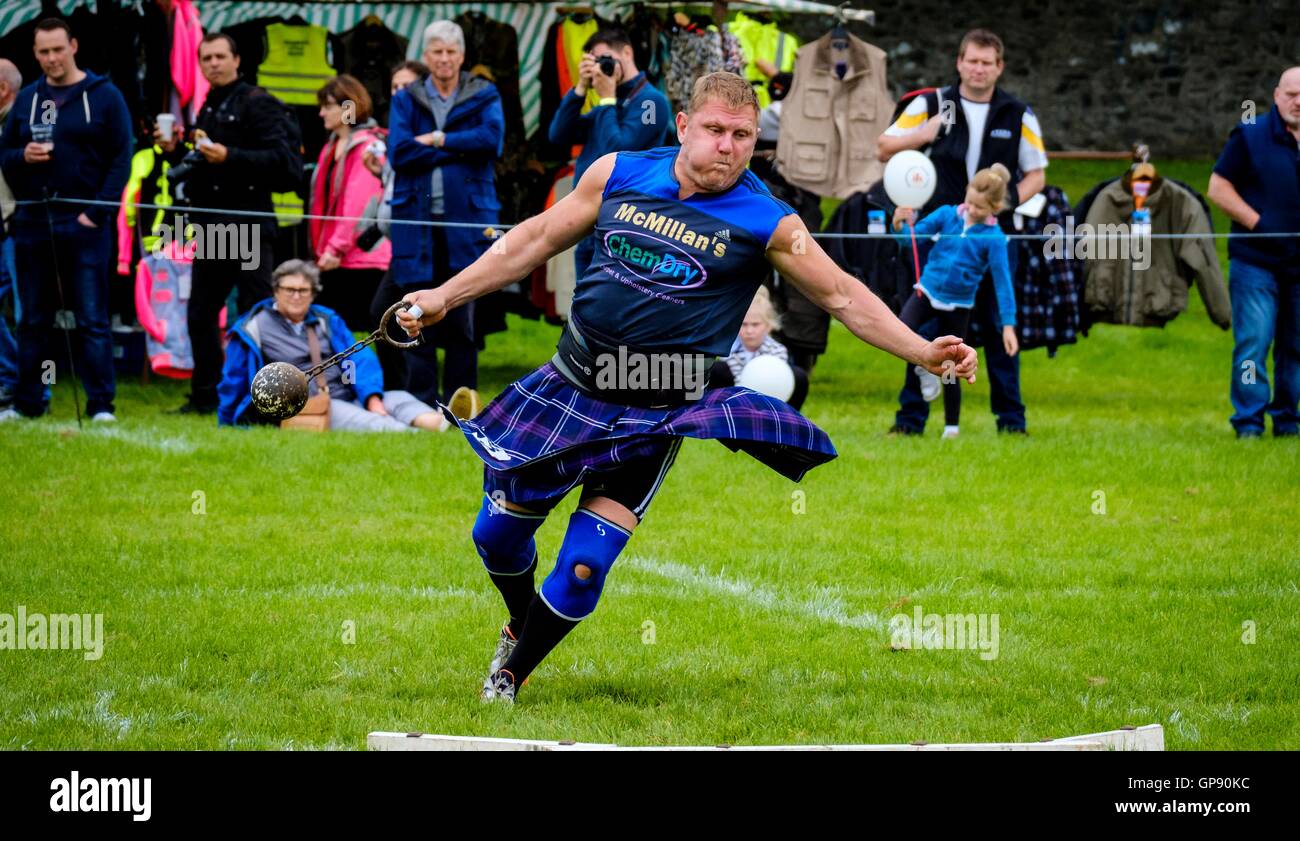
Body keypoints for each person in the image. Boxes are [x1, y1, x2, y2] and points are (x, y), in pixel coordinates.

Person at [395, 72, 978, 703]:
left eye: (743, 136)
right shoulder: (617, 172)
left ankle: (510, 674)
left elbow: (843, 296)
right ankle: (521, 617)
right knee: (497, 536)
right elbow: (532, 240)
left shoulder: (767, 221)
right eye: (715, 131)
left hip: (655, 410)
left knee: (586, 567)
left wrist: (924, 349)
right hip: (570, 385)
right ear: (682, 126)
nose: (727, 147)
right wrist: (442, 296)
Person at [876, 28, 1045, 435]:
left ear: (999, 67)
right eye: (972, 60)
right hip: (942, 237)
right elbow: (884, 146)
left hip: (992, 240)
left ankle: (1011, 422)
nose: (979, 69)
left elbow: (1037, 174)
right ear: (959, 62)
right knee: (919, 333)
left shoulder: (1018, 113)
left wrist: (1000, 206)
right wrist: (922, 133)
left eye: (987, 62)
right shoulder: (932, 103)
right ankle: (910, 420)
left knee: (1000, 324)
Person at [154, 32, 298, 416]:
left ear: (237, 60)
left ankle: (263, 401)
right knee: (200, 313)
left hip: (248, 225)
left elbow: (284, 164)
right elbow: (205, 167)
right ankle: (205, 397)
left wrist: (229, 156)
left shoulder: (258, 102)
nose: (213, 64)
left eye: (220, 56)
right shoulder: (209, 105)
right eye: (206, 59)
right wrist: (177, 153)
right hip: (213, 228)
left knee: (255, 316)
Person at [0, 19, 131, 423]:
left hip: (86, 224)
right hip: (34, 223)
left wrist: (97, 212)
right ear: (35, 55)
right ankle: (30, 400)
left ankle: (100, 406)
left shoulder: (105, 95)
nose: (52, 59)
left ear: (73, 46)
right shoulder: (26, 99)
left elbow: (121, 158)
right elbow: (4, 156)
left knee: (91, 318)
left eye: (58, 49)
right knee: (33, 319)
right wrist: (23, 157)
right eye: (43, 52)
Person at [384, 20, 504, 417]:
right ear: (426, 56)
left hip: (466, 220)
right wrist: (458, 148)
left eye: (451, 51)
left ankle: (459, 403)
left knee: (461, 311)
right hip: (416, 222)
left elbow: (490, 142)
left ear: (462, 56)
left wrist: (436, 140)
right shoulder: (407, 97)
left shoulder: (483, 93)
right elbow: (399, 152)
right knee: (414, 312)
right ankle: (421, 402)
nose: (444, 59)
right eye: (436, 51)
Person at [217, 259, 449, 432]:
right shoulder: (253, 327)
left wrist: (370, 397)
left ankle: (442, 423)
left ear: (312, 294)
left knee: (398, 398)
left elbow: (357, 359)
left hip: (347, 391)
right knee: (370, 422)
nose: (296, 296)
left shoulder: (326, 320)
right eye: (289, 290)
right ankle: (415, 435)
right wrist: (227, 420)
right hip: (309, 404)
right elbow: (234, 378)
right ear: (276, 291)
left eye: (303, 291)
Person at [892, 164, 1019, 439]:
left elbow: (1003, 283)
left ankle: (951, 427)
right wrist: (900, 224)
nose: (971, 210)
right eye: (970, 202)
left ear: (995, 208)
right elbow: (913, 239)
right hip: (926, 291)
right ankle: (922, 369)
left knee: (952, 364)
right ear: (966, 193)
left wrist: (1008, 325)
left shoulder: (994, 239)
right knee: (899, 330)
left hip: (959, 304)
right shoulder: (947, 214)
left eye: (980, 208)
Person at [1207, 66, 1300, 439]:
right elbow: (1218, 187)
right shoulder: (1250, 136)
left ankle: (1288, 420)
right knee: (1253, 344)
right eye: (1291, 94)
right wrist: (1258, 224)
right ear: (1276, 95)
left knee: (1295, 347)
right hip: (1255, 262)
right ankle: (1248, 422)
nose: (1298, 102)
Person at [547, 27, 672, 276]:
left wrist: (606, 99)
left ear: (627, 52)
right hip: (587, 222)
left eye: (605, 59)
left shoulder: (651, 102)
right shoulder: (611, 103)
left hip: (623, 228)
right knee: (582, 306)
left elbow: (617, 153)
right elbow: (558, 135)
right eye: (595, 62)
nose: (601, 68)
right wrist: (580, 89)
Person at [363, 60, 429, 392]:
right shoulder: (397, 130)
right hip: (400, 243)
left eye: (407, 86)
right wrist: (380, 172)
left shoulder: (424, 129)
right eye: (395, 87)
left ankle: (415, 394)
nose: (400, 93)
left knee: (412, 318)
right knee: (383, 313)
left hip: (424, 243)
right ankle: (398, 391)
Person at [310, 74, 390, 331]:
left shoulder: (369, 146)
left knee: (374, 333)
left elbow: (358, 205)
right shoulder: (332, 146)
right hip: (341, 254)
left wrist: (335, 247)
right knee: (339, 332)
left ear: (348, 107)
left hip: (362, 256)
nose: (321, 113)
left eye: (327, 106)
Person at [707, 286, 809, 410]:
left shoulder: (777, 350)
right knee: (717, 369)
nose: (749, 330)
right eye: (744, 324)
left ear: (769, 325)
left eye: (755, 325)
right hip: (737, 402)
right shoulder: (729, 351)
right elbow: (738, 382)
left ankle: (789, 417)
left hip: (771, 401)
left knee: (798, 375)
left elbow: (778, 381)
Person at [0, 59, 21, 413]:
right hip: (4, 228)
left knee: (30, 313)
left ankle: (39, 388)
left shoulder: (26, 118)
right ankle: (12, 376)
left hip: (22, 226)